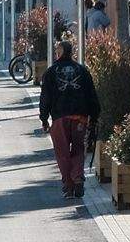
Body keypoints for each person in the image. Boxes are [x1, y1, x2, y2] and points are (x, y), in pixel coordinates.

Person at [37, 38, 101, 199]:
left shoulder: (51, 72)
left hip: (60, 118)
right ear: (71, 53)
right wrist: (94, 116)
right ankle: (78, 177)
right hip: (80, 117)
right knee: (79, 148)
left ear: (59, 53)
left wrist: (44, 119)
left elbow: (45, 97)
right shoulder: (82, 70)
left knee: (62, 152)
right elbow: (91, 94)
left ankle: (69, 185)